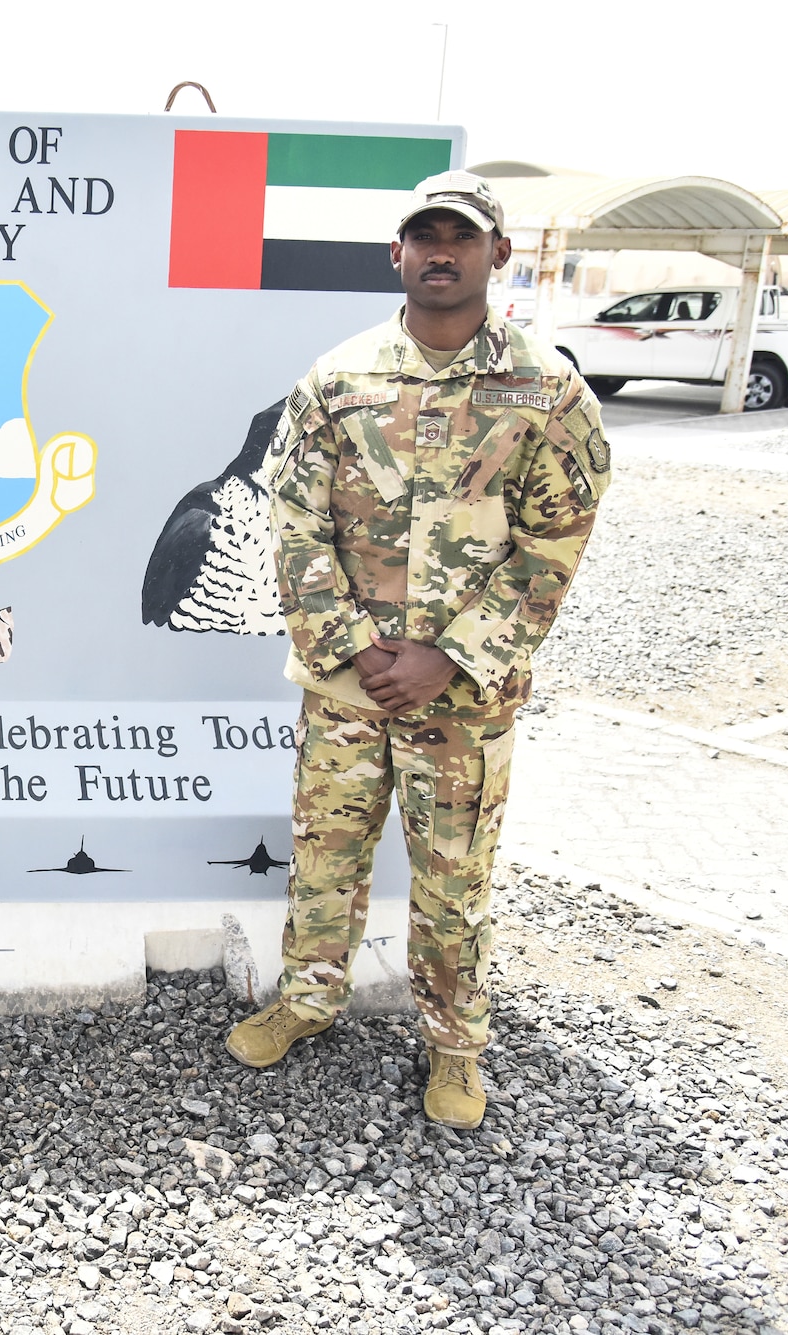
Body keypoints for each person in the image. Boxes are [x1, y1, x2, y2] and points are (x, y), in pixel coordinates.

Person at [225, 172, 612, 1130]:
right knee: (326, 854)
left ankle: (452, 1046)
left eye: (463, 237)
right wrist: (354, 649)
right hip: (347, 686)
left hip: (464, 700)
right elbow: (295, 520)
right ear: (395, 255)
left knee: (454, 879)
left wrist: (450, 655)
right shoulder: (337, 380)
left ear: (499, 255)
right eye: (424, 236)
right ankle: (309, 1000)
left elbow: (557, 538)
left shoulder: (547, 389)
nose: (443, 252)